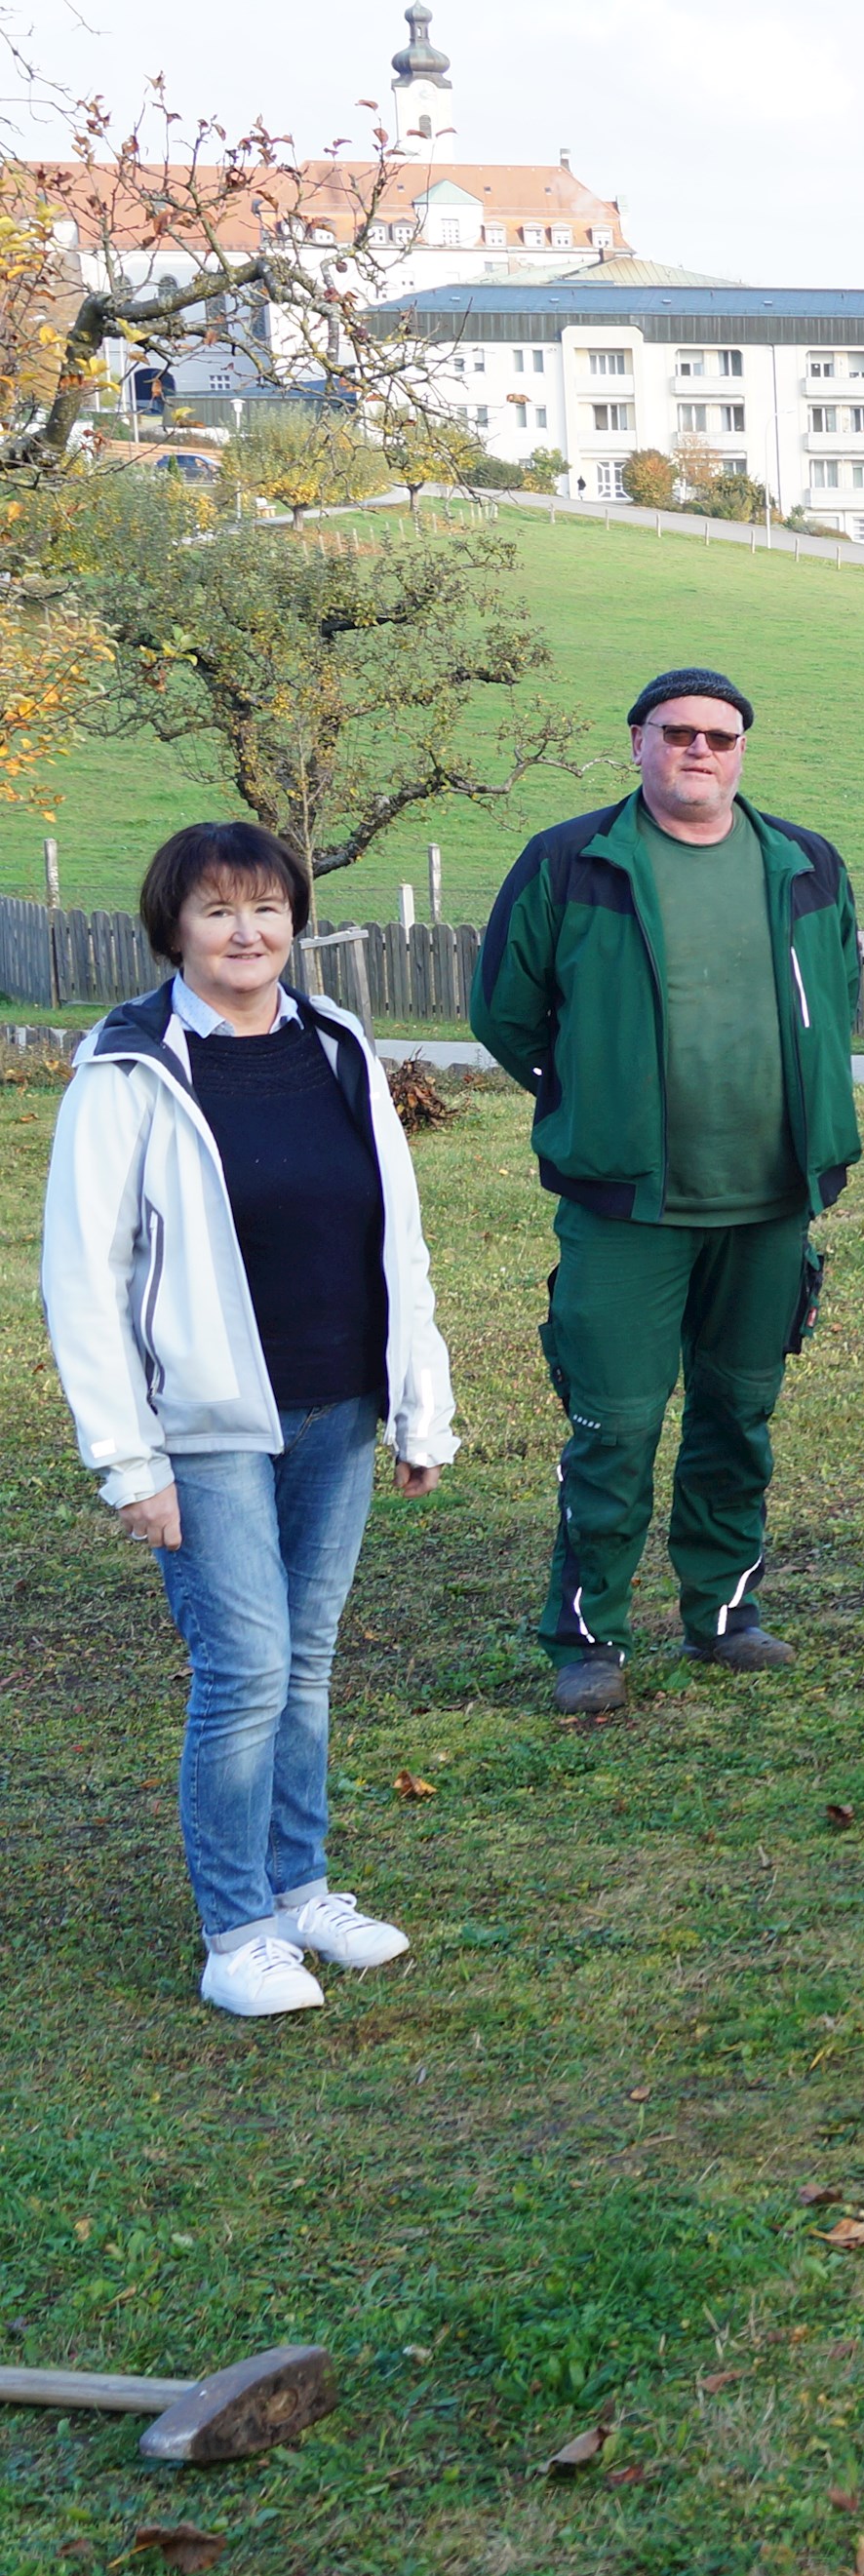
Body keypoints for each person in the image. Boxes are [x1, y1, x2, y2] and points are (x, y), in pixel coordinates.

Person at [42, 824, 458, 2017]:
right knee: (245, 1669)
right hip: (206, 1425)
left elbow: (397, 1235)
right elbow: (83, 1276)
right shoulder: (127, 1070)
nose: (247, 932)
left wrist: (417, 1405)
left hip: (335, 1404)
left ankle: (297, 1890)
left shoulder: (337, 1047)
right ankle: (235, 1933)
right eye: (220, 910)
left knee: (308, 1660)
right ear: (172, 924)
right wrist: (130, 1463)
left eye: (268, 908)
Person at [472, 667, 861, 1716]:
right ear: (637, 741)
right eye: (677, 733)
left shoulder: (807, 867)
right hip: (627, 1209)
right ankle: (589, 1636)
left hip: (769, 1201)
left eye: (720, 737)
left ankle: (724, 1614)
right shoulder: (571, 863)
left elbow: (838, 997)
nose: (699, 751)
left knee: (739, 1415)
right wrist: (589, 1098)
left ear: (742, 752)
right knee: (615, 1424)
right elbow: (504, 1012)